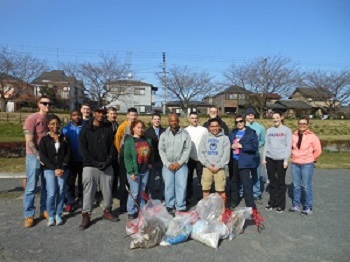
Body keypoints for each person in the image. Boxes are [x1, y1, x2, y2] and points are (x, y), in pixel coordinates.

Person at [78, 106, 119, 230]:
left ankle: (107, 211)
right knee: (89, 190)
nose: (101, 115)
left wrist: (107, 162)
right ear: (94, 113)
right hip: (90, 165)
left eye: (103, 113)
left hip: (106, 164)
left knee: (107, 190)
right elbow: (82, 148)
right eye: (98, 112)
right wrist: (94, 162)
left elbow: (112, 146)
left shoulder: (108, 127)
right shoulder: (86, 128)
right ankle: (86, 214)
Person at [23, 95, 51, 228]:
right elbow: (29, 141)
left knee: (46, 186)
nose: (47, 106)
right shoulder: (32, 119)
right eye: (44, 103)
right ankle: (29, 214)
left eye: (49, 104)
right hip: (34, 157)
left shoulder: (50, 119)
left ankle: (44, 210)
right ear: (38, 104)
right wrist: (38, 156)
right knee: (31, 187)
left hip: (48, 157)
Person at [39, 114, 71, 226]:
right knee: (51, 192)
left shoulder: (64, 138)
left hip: (62, 169)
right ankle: (51, 215)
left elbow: (68, 154)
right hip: (49, 169)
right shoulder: (44, 140)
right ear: (48, 125)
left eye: (57, 124)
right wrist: (54, 168)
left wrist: (62, 168)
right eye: (52, 124)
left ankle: (59, 214)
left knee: (61, 190)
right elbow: (43, 156)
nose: (55, 126)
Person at [159, 113, 192, 214]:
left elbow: (187, 149)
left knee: (181, 185)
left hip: (181, 165)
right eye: (171, 121)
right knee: (169, 185)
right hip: (168, 164)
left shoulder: (185, 134)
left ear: (178, 121)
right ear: (168, 122)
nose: (173, 122)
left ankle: (180, 206)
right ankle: (170, 205)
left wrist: (179, 163)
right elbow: (161, 149)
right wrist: (167, 163)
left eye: (175, 121)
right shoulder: (164, 135)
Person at [290, 116, 322, 215]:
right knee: (296, 186)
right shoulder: (293, 135)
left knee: (306, 186)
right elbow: (290, 147)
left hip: (307, 164)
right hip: (295, 163)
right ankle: (296, 205)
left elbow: (318, 150)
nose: (302, 125)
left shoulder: (312, 136)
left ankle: (308, 207)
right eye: (300, 124)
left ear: (307, 125)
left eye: (304, 124)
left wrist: (313, 159)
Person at [263, 111, 292, 213]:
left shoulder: (287, 130)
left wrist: (286, 160)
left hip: (281, 160)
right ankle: (272, 202)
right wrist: (264, 158)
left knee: (280, 182)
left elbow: (288, 146)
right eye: (273, 118)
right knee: (272, 182)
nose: (275, 119)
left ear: (281, 118)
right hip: (270, 158)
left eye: (277, 117)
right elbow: (267, 145)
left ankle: (281, 204)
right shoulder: (269, 130)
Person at [124, 120, 153, 220]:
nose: (140, 129)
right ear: (133, 128)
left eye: (142, 127)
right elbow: (127, 158)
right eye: (138, 127)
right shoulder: (129, 141)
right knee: (135, 192)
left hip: (145, 170)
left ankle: (142, 209)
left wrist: (150, 163)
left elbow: (151, 153)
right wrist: (131, 172)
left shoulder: (146, 140)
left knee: (142, 191)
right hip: (135, 171)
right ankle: (131, 211)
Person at [228, 115, 259, 211]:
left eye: (241, 121)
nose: (239, 123)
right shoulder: (232, 132)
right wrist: (231, 146)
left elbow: (254, 147)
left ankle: (251, 206)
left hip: (245, 162)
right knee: (233, 182)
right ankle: (234, 201)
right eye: (236, 122)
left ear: (244, 122)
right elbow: (227, 144)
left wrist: (242, 146)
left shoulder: (251, 132)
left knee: (246, 184)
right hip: (233, 161)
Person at [198, 118, 230, 201]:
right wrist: (208, 165)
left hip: (220, 168)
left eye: (216, 126)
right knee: (205, 189)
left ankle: (221, 210)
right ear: (209, 127)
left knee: (221, 190)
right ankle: (206, 209)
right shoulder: (205, 137)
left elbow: (226, 155)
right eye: (212, 126)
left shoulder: (225, 138)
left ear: (219, 126)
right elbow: (201, 152)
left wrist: (218, 166)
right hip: (207, 167)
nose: (214, 128)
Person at [114, 107, 138, 214]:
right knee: (123, 181)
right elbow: (117, 140)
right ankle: (123, 205)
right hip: (124, 157)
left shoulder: (138, 125)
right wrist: (122, 152)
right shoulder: (122, 127)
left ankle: (134, 203)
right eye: (131, 115)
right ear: (127, 115)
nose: (133, 117)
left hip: (135, 157)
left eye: (135, 115)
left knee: (134, 180)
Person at [61, 109, 84, 212]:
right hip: (71, 160)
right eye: (74, 115)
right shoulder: (65, 129)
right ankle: (70, 201)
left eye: (78, 115)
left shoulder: (86, 128)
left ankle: (81, 198)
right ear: (71, 117)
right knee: (70, 181)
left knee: (82, 181)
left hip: (83, 159)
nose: (77, 117)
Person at [185, 111, 208, 203]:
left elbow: (207, 142)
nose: (194, 120)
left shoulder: (203, 130)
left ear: (198, 119)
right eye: (192, 118)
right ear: (189, 119)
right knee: (188, 179)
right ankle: (188, 197)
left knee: (202, 180)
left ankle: (203, 198)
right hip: (189, 158)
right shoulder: (185, 130)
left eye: (196, 118)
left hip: (201, 158)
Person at [245, 108, 266, 203]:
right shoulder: (242, 126)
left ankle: (256, 193)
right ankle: (242, 192)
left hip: (255, 154)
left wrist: (256, 146)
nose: (251, 116)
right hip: (244, 155)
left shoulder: (260, 127)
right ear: (245, 116)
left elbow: (263, 139)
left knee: (256, 174)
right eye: (249, 115)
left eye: (252, 115)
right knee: (243, 174)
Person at [144, 113, 165, 200]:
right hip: (151, 159)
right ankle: (152, 197)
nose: (157, 121)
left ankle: (161, 196)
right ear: (152, 120)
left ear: (160, 120)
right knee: (151, 180)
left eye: (158, 119)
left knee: (163, 180)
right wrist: (147, 161)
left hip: (162, 159)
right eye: (155, 119)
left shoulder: (165, 131)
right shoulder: (147, 132)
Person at [106, 106, 119, 197]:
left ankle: (113, 191)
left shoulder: (117, 125)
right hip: (106, 153)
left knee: (115, 173)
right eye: (111, 113)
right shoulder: (105, 125)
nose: (113, 115)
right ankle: (106, 192)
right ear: (107, 114)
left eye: (114, 114)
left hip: (115, 152)